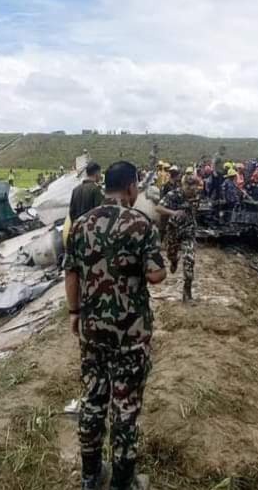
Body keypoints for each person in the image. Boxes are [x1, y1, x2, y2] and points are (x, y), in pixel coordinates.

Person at [63, 161, 167, 490]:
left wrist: (74, 313)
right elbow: (156, 275)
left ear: (105, 186)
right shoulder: (141, 224)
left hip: (92, 330)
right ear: (132, 188)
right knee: (125, 406)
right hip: (130, 335)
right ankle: (124, 482)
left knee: (93, 400)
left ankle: (91, 476)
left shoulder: (80, 225)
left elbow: (71, 273)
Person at [160, 175, 201, 302]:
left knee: (190, 260)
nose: (192, 191)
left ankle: (187, 293)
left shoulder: (197, 195)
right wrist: (173, 213)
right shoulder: (173, 195)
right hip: (173, 231)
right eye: (189, 188)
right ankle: (173, 261)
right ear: (183, 186)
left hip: (188, 233)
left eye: (194, 188)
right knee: (171, 255)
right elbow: (158, 208)